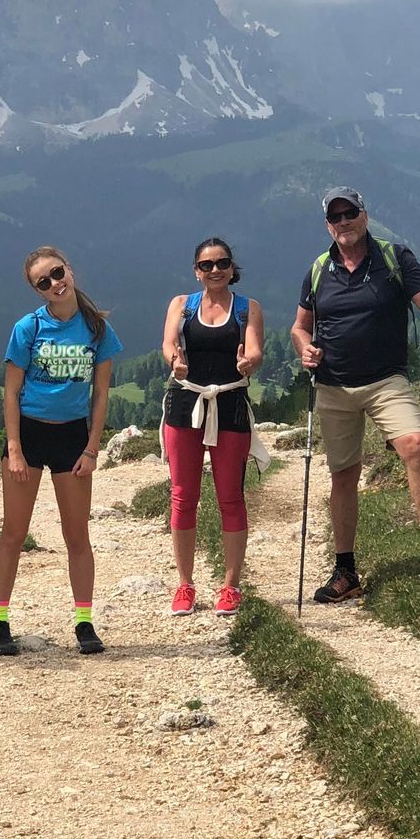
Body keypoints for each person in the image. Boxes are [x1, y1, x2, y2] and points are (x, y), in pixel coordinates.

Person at [290, 186, 420, 599]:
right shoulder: (318, 268)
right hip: (333, 384)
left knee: (416, 444)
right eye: (336, 216)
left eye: (350, 214)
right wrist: (304, 348)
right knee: (343, 475)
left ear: (364, 215)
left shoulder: (394, 258)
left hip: (385, 380)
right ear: (328, 224)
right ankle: (345, 572)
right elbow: (299, 325)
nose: (344, 222)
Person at [0, 246, 123, 656]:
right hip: (29, 435)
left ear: (69, 269)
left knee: (76, 534)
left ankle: (84, 622)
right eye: (42, 282)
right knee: (13, 532)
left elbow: (101, 394)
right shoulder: (28, 328)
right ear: (37, 290)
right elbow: (11, 392)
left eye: (57, 273)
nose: (54, 283)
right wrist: (14, 448)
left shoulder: (98, 329)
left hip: (72, 438)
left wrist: (92, 448)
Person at [160, 237, 264, 617]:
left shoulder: (248, 309)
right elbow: (169, 343)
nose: (215, 270)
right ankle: (184, 584)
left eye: (222, 264)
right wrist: (176, 362)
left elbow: (255, 350)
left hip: (230, 404)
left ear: (232, 268)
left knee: (230, 498)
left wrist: (247, 364)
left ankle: (231, 585)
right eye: (207, 265)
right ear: (196, 271)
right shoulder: (181, 306)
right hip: (186, 403)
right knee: (183, 497)